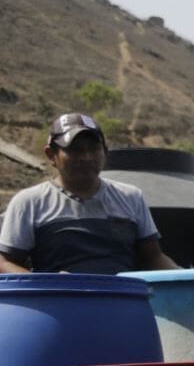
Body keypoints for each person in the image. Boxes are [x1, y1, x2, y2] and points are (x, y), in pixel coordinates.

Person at [0, 112, 180, 274]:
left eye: (94, 149)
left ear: (105, 152)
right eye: (75, 150)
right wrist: (45, 284)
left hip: (122, 302)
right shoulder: (30, 202)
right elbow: (5, 262)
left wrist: (184, 277)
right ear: (51, 155)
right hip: (58, 304)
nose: (86, 157)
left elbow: (153, 257)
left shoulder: (130, 197)